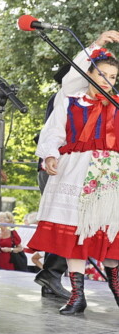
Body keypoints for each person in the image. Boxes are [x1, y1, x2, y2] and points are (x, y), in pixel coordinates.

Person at [29, 30, 119, 315]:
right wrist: (50, 155)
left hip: (109, 176)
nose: (108, 80)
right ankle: (77, 296)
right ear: (89, 73)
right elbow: (53, 132)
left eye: (113, 77)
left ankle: (117, 291)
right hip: (75, 172)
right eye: (102, 74)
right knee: (75, 237)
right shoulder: (71, 99)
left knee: (110, 236)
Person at [32, 64, 72, 299]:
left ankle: (51, 279)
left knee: (62, 221)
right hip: (57, 168)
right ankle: (52, 275)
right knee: (62, 221)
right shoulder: (63, 99)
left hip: (58, 168)